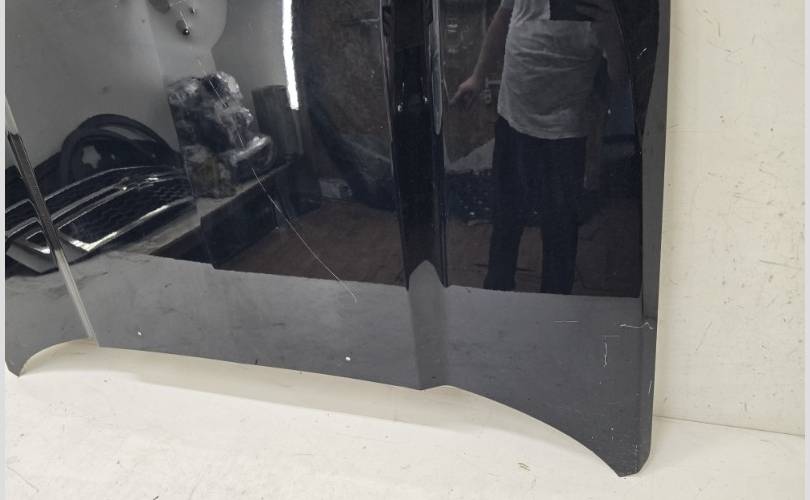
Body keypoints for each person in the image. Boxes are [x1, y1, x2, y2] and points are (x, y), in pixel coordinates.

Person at [451, 0, 627, 294]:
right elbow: (503, 18)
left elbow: (620, 78)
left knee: (560, 232)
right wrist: (478, 77)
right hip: (512, 120)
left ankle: (555, 307)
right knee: (505, 219)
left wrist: (610, 31)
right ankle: (496, 296)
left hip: (564, 136)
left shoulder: (603, 8)